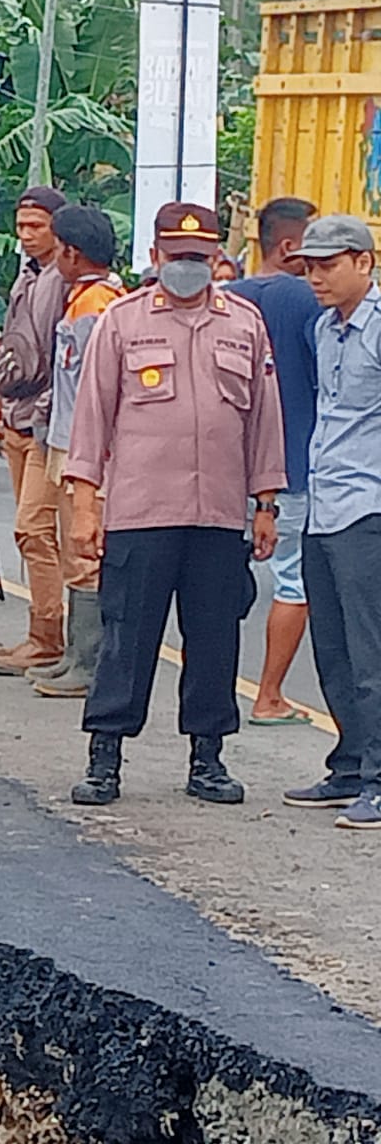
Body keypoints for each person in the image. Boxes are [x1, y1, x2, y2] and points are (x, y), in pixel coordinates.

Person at [64, 202, 284, 806]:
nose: (188, 267)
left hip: (217, 515)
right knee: (126, 637)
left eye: (199, 257)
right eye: (178, 256)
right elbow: (91, 420)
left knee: (214, 639)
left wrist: (265, 502)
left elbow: (264, 421)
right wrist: (86, 504)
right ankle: (105, 756)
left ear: (216, 257)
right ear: (155, 256)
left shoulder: (244, 323)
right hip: (140, 512)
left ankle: (207, 759)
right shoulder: (123, 321)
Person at [281, 215, 381, 828]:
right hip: (325, 503)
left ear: (365, 263)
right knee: (334, 649)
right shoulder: (325, 329)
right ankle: (349, 763)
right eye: (310, 267)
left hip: (368, 508)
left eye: (328, 266)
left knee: (371, 651)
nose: (316, 277)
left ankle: (377, 776)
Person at [228, 198, 321, 725]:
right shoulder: (310, 303)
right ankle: (268, 696)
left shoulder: (224, 298)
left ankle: (208, 683)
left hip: (227, 468)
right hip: (292, 465)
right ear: (290, 247)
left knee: (217, 580)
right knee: (293, 583)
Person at [33, 205, 125, 698]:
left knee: (86, 554)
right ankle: (74, 653)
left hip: (86, 447)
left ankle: (89, 663)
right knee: (73, 552)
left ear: (71, 251)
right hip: (66, 437)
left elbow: (101, 388)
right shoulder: (82, 300)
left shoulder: (97, 308)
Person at [0, 186, 70, 677]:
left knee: (37, 530)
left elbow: (63, 359)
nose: (26, 235)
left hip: (47, 420)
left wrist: (36, 409)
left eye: (36, 227)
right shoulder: (27, 275)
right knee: (32, 536)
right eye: (21, 227)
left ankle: (51, 636)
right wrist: (0, 397)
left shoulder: (64, 279)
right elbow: (14, 345)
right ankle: (42, 630)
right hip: (18, 415)